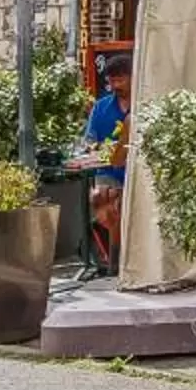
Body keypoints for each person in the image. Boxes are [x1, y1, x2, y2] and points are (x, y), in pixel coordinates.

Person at [80, 54, 132, 263]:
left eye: (120, 80)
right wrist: (97, 148)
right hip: (108, 170)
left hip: (136, 171)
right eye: (111, 81)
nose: (115, 85)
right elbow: (89, 141)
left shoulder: (143, 105)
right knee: (102, 196)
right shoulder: (101, 107)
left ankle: (119, 257)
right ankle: (112, 257)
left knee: (122, 200)